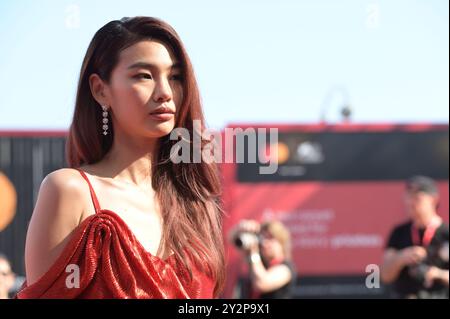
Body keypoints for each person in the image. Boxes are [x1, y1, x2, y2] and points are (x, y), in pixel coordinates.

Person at [16, 16, 224, 299]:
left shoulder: (196, 203)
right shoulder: (70, 191)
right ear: (101, 90)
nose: (165, 93)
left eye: (175, 77)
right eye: (144, 76)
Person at [381, 176, 449, 298]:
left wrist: (438, 274)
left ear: (433, 200)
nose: (410, 203)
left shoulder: (446, 233)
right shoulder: (399, 232)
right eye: (408, 197)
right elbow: (385, 275)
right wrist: (401, 258)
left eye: (417, 198)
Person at [230, 220, 297, 299]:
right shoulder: (260, 263)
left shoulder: (286, 268)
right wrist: (241, 229)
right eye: (263, 238)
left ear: (281, 242)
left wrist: (254, 253)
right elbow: (233, 240)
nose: (265, 243)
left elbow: (261, 283)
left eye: (270, 238)